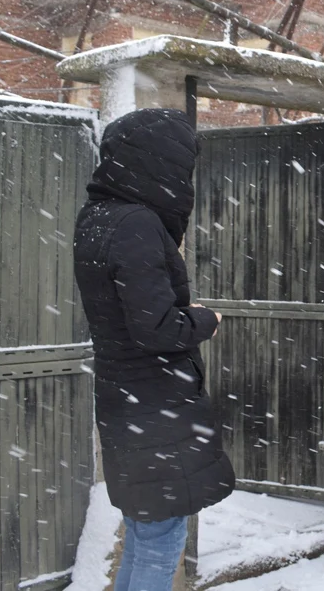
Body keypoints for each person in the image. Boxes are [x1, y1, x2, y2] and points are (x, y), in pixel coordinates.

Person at [73, 109, 233, 591]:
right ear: (163, 167)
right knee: (162, 540)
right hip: (156, 405)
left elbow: (128, 317)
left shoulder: (96, 217)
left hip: (127, 400)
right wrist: (205, 319)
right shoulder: (137, 223)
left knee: (145, 534)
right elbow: (157, 328)